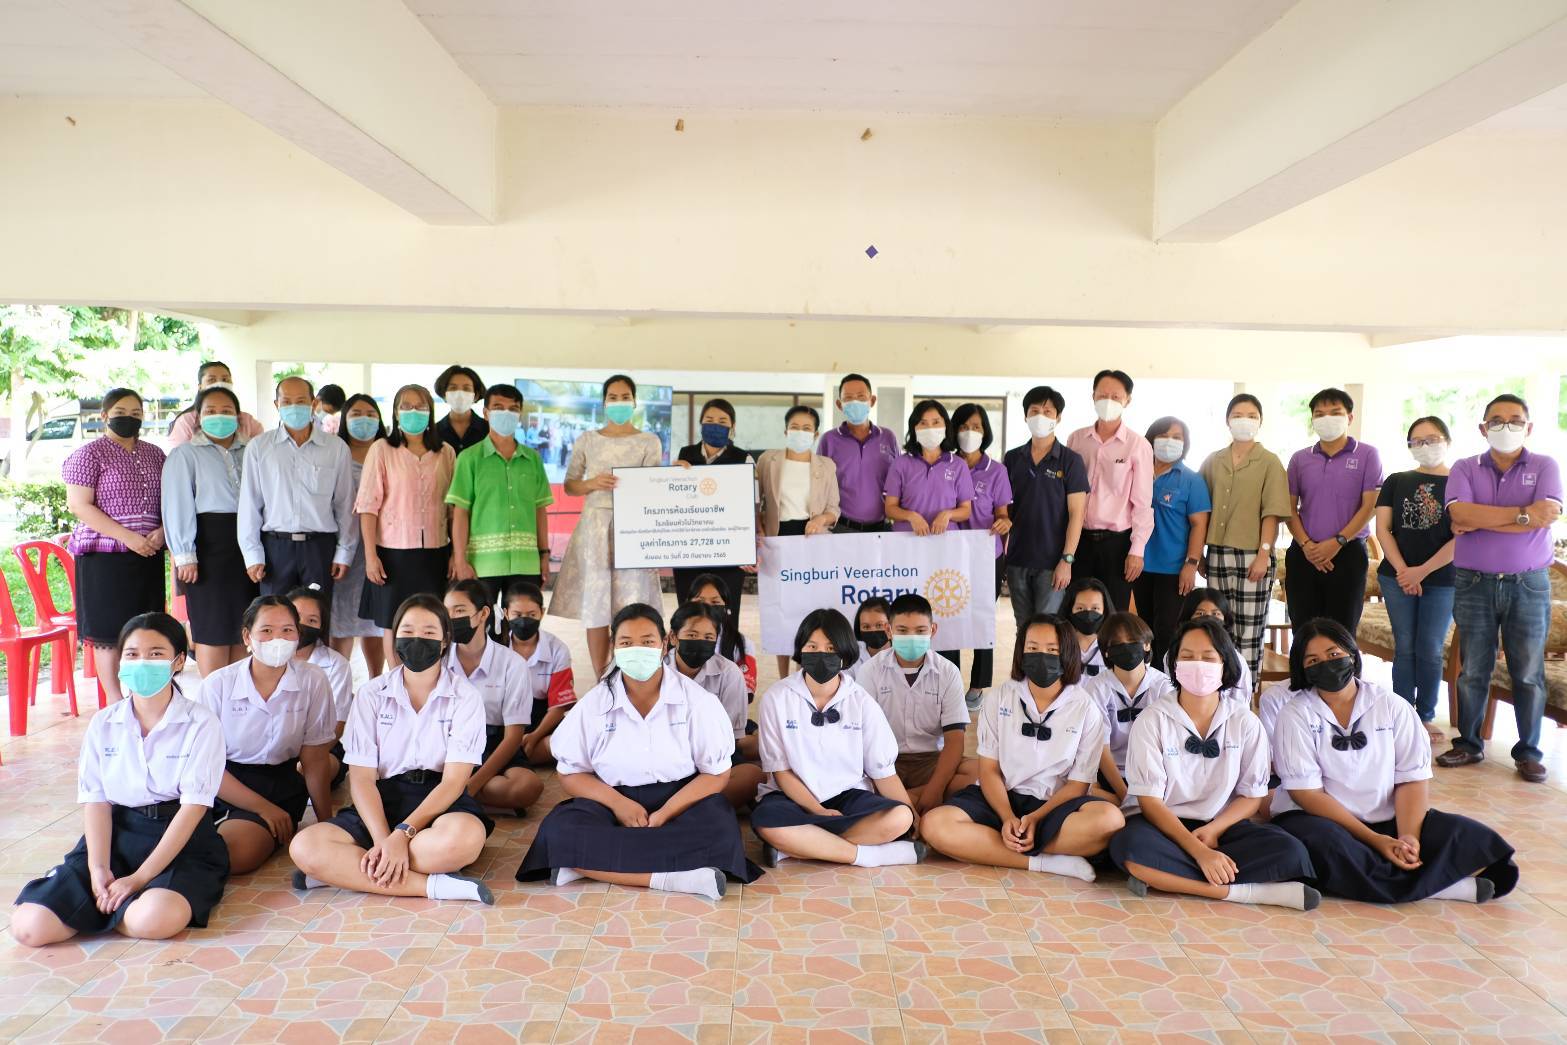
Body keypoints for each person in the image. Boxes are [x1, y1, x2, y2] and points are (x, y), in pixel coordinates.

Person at [515, 603, 761, 899]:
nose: (637, 650)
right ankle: (680, 878)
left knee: (720, 826)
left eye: (647, 642)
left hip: (681, 801)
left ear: (665, 643)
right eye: (626, 643)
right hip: (610, 800)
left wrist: (667, 812)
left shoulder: (697, 701)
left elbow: (716, 774)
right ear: (613, 646)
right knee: (560, 829)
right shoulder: (594, 704)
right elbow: (570, 773)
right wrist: (619, 805)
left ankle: (584, 867)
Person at [11, 613, 228, 945]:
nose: (143, 662)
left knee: (153, 920)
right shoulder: (104, 722)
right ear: (121, 661)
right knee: (30, 926)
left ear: (178, 661)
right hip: (119, 832)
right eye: (132, 654)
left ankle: (106, 911)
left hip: (179, 838)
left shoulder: (201, 722)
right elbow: (96, 801)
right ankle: (113, 907)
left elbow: (193, 808)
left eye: (156, 653)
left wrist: (138, 879)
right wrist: (98, 869)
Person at [1273, 619, 1518, 902]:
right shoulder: (1295, 714)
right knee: (1324, 847)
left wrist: (1408, 837)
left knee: (1474, 839)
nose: (1326, 664)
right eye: (1313, 660)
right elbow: (1307, 794)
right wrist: (1374, 840)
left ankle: (1386, 877)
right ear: (1302, 669)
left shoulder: (1391, 705)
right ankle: (1446, 888)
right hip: (1325, 821)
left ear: (1352, 654)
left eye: (1334, 654)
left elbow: (1411, 778)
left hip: (1387, 819)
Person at [288, 595, 494, 903]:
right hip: (382, 799)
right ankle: (434, 886)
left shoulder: (466, 697)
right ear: (395, 637)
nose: (417, 639)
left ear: (444, 641)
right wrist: (384, 839)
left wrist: (402, 835)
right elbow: (361, 779)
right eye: (407, 631)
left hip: (440, 800)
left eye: (428, 632)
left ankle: (344, 871)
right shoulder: (371, 694)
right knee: (304, 847)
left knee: (459, 842)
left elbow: (454, 782)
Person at [1110, 618, 1318, 909]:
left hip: (1221, 825)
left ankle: (1164, 876)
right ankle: (1244, 893)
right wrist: (1199, 852)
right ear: (1174, 665)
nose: (1198, 665)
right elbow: (1150, 802)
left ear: (1225, 665)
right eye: (1187, 657)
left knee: (1291, 851)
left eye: (1208, 658)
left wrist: (1213, 831)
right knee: (1130, 847)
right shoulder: (1152, 719)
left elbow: (1252, 796)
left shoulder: (1245, 721)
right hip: (1164, 825)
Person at [920, 613, 1124, 881]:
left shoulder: (1086, 708)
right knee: (934, 825)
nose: (1042, 657)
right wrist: (1007, 817)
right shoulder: (1000, 697)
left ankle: (993, 845)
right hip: (1001, 798)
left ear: (1067, 654)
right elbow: (989, 770)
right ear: (1021, 652)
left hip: (1055, 804)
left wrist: (1036, 818)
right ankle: (1046, 862)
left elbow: (1078, 784)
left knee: (1110, 820)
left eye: (1052, 650)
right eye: (1033, 648)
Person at [1436, 394, 1563, 783]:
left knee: (1527, 671)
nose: (1505, 427)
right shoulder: (1465, 467)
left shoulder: (1545, 465)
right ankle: (1469, 743)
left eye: (1515, 420)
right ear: (1483, 428)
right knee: (1474, 668)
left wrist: (1482, 519)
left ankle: (1529, 753)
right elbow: (1460, 513)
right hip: (1473, 582)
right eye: (1496, 420)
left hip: (1529, 584)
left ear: (1529, 426)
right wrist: (1524, 515)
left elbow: (1547, 515)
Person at [750, 608, 925, 868]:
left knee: (900, 817)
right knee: (767, 822)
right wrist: (818, 810)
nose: (821, 655)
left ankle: (797, 847)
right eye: (812, 647)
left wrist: (913, 816)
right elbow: (781, 772)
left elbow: (883, 772)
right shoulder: (777, 698)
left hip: (848, 795)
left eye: (831, 648)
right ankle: (868, 856)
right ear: (800, 650)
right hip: (792, 796)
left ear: (845, 653)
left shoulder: (861, 701)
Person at [197, 596, 336, 874]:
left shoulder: (313, 679)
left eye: (287, 630)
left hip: (281, 784)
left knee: (237, 853)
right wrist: (262, 808)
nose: (278, 639)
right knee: (191, 841)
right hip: (223, 782)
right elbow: (205, 767)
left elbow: (315, 760)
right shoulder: (217, 685)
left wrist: (327, 826)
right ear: (247, 636)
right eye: (267, 630)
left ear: (298, 635)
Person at [550, 374, 664, 678]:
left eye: (625, 397)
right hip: (595, 529)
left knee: (632, 602)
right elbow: (571, 484)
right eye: (613, 397)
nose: (619, 402)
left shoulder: (649, 441)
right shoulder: (588, 439)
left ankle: (629, 675)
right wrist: (592, 483)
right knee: (597, 606)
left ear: (634, 402)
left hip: (633, 527)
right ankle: (601, 677)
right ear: (604, 402)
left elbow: (655, 485)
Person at [63, 387, 167, 703]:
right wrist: (128, 537)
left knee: (146, 628)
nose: (128, 418)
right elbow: (79, 505)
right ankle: (113, 701)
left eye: (136, 413)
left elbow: (170, 499)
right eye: (120, 413)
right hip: (104, 558)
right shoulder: (89, 454)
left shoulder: (155, 454)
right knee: (108, 634)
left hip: (148, 554)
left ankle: (144, 697)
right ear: (105, 415)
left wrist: (163, 531)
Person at [162, 383, 258, 677]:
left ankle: (239, 694)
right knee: (212, 627)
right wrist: (185, 556)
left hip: (248, 545)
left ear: (238, 416)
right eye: (211, 410)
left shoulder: (252, 451)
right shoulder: (185, 455)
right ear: (198, 416)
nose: (219, 416)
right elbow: (177, 505)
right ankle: (215, 695)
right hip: (208, 547)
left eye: (226, 410)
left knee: (244, 624)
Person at [357, 383, 457, 667]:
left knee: (433, 619)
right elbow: (368, 507)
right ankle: (396, 680)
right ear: (396, 412)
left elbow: (453, 508)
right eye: (406, 406)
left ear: (431, 412)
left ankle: (429, 678)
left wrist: (455, 554)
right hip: (392, 553)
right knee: (394, 621)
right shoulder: (382, 449)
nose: (414, 412)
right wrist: (370, 557)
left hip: (436, 551)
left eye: (420, 406)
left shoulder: (446, 453)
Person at [237, 376, 358, 602]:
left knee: (317, 615)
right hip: (275, 549)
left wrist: (344, 552)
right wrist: (253, 555)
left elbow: (344, 504)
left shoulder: (335, 448)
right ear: (277, 405)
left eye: (301, 401)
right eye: (286, 401)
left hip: (319, 548)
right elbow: (250, 506)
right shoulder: (259, 448)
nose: (294, 407)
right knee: (275, 614)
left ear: (314, 403)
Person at [1375, 417, 1457, 744]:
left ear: (1447, 440)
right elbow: (1383, 529)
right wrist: (1403, 571)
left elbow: (1462, 537)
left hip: (1442, 579)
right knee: (1405, 646)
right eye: (1417, 441)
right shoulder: (1397, 481)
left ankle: (1424, 715)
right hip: (1396, 576)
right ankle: (1402, 713)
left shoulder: (1461, 483)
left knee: (1430, 648)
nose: (1425, 446)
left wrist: (1420, 571)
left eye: (1432, 439)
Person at [1199, 394, 1292, 684]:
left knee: (1249, 630)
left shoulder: (1269, 461)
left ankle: (1246, 693)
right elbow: (1200, 510)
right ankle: (1219, 688)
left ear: (1260, 422)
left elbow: (1272, 512)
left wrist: (1264, 554)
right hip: (1217, 553)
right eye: (1238, 415)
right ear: (1228, 420)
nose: (1244, 421)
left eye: (1252, 416)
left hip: (1254, 554)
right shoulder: (1214, 461)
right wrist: (1199, 553)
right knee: (1217, 625)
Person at [856, 594, 977, 814]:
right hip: (885, 762)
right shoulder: (870, 671)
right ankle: (912, 803)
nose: (911, 637)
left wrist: (935, 788)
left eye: (920, 631)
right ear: (889, 630)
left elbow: (955, 740)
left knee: (980, 773)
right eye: (902, 631)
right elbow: (864, 738)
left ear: (933, 630)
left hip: (931, 761)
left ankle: (899, 804)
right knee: (852, 781)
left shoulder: (948, 671)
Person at [447, 382, 554, 631]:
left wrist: (544, 555)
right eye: (498, 407)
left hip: (526, 563)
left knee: (522, 628)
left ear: (519, 414)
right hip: (481, 564)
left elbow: (540, 510)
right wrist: (460, 559)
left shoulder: (533, 459)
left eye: (513, 408)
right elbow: (460, 513)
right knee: (481, 628)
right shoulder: (469, 459)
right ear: (485, 413)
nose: (506, 413)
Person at [1285, 387, 1383, 633]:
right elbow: (1288, 508)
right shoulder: (1299, 459)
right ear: (1312, 420)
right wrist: (1307, 546)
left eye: (1335, 412)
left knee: (1342, 632)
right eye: (1320, 414)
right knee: (1303, 630)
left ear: (1349, 417)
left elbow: (1370, 505)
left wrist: (1338, 541)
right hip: (1304, 553)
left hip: (1348, 553)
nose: (1327, 418)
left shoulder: (1368, 454)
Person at [443, 580, 544, 816]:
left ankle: (454, 796)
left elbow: (513, 737)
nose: (451, 619)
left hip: (494, 743)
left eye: (459, 610)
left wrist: (472, 785)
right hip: (447, 743)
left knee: (526, 787)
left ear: (483, 614)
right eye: (446, 612)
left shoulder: (512, 664)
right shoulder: (438, 659)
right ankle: (462, 797)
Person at [757, 404, 842, 678]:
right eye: (795, 427)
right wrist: (759, 533)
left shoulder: (826, 466)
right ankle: (783, 676)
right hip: (777, 540)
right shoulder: (768, 460)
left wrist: (821, 520)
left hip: (811, 541)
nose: (800, 432)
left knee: (808, 609)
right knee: (781, 609)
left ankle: (803, 671)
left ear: (815, 434)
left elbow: (834, 509)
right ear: (785, 431)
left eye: (807, 428)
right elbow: (757, 502)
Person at [1066, 369, 1154, 611]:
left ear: (1128, 400)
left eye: (1116, 397)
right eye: (1103, 395)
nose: (1108, 401)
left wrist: (1137, 550)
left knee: (1114, 614)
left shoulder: (1137, 445)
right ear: (1093, 396)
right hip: (1079, 540)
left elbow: (1142, 504)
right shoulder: (1076, 440)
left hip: (1117, 545)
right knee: (1077, 610)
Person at [665, 602, 765, 809]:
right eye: (692, 635)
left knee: (752, 776)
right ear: (673, 637)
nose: (700, 642)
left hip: (711, 757)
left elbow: (730, 739)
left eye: (708, 637)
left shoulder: (729, 672)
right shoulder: (657, 669)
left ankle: (676, 806)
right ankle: (692, 808)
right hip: (665, 756)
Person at [1004, 385, 1089, 624]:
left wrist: (1067, 560)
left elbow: (1077, 514)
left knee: (1048, 626)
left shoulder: (1071, 461)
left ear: (1058, 418)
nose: (1040, 416)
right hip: (1017, 559)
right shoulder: (1012, 458)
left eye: (1048, 411)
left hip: (1053, 563)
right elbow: (1004, 510)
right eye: (1034, 411)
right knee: (1023, 627)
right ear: (1025, 416)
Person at [1133, 416, 1211, 666]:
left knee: (1167, 630)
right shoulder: (1137, 472)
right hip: (1138, 565)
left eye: (1177, 437)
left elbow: (1199, 525)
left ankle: (1167, 680)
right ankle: (1146, 680)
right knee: (1142, 630)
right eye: (1164, 436)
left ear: (1185, 444)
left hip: (1173, 569)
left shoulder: (1191, 480)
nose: (1169, 442)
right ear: (1151, 439)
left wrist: (1191, 563)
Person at [951, 403, 1013, 706]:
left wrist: (1004, 522)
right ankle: (949, 683)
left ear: (985, 431)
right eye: (964, 427)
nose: (969, 432)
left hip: (987, 555)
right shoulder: (946, 465)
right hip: (950, 555)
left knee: (981, 619)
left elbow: (1003, 514)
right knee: (948, 616)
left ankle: (977, 686)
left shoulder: (996, 470)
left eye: (976, 427)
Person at [673, 397, 755, 613]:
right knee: (690, 610)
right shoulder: (685, 455)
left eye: (722, 421)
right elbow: (675, 499)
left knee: (725, 612)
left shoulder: (743, 458)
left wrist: (748, 546)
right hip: (689, 548)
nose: (715, 425)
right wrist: (673, 475)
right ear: (701, 423)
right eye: (709, 420)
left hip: (728, 549)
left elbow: (751, 505)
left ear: (732, 426)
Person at [1084, 612, 1173, 804]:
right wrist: (1125, 795)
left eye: (1132, 641)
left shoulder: (1163, 686)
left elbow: (1168, 744)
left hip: (1152, 772)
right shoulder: (1096, 688)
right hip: (1109, 772)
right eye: (1117, 644)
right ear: (1106, 652)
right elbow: (1100, 747)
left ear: (1147, 645)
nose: (1126, 648)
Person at [331, 394, 387, 675]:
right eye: (356, 414)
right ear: (344, 419)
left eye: (370, 414)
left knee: (375, 623)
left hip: (381, 547)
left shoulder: (389, 452)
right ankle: (339, 687)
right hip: (343, 549)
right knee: (340, 620)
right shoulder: (335, 453)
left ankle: (375, 681)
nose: (364, 420)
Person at [502, 580, 577, 766]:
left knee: (573, 740)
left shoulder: (557, 649)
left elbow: (558, 706)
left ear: (542, 613)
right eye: (517, 615)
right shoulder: (495, 647)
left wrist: (535, 736)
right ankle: (515, 756)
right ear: (506, 613)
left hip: (542, 722)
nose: (524, 621)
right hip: (503, 722)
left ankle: (514, 756)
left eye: (531, 614)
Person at [818, 374, 902, 533]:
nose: (855, 402)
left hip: (882, 528)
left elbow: (899, 481)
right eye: (848, 398)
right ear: (839, 404)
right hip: (842, 528)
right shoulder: (828, 440)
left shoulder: (888, 437)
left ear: (872, 401)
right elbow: (820, 488)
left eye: (861, 397)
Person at [288, 586, 354, 782]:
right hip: (272, 746)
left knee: (309, 768)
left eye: (312, 620)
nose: (302, 625)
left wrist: (307, 757)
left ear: (321, 626)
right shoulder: (266, 658)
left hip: (321, 746)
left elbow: (338, 724)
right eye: (296, 616)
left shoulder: (337, 664)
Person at [883, 399, 973, 536]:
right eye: (923, 423)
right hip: (906, 540)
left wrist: (948, 514)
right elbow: (890, 508)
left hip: (946, 541)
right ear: (914, 428)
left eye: (936, 422)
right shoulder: (900, 464)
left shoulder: (959, 465)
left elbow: (966, 510)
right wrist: (911, 516)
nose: (930, 428)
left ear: (946, 426)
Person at [688, 573, 758, 696]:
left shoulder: (743, 644)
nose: (707, 608)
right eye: (700, 601)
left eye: (715, 602)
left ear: (726, 607)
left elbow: (745, 694)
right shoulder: (673, 640)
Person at [166, 360, 265, 445]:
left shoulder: (248, 421)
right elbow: (178, 456)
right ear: (200, 387)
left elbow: (261, 453)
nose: (220, 384)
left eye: (225, 379)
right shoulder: (186, 422)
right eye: (212, 380)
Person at [1180, 588, 1254, 696]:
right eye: (1200, 613)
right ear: (1188, 617)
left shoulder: (1238, 660)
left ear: (1225, 620)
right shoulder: (1175, 654)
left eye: (1215, 614)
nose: (1208, 619)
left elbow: (1241, 699)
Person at [432, 365, 490, 455]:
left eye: (466, 388)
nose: (459, 394)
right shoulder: (434, 432)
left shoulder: (489, 430)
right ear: (444, 394)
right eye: (453, 388)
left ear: (476, 395)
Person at [1063, 577, 1114, 677]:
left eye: (1095, 608)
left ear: (1105, 609)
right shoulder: (1059, 643)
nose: (1088, 615)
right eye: (1080, 608)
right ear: (1070, 609)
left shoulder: (1114, 644)